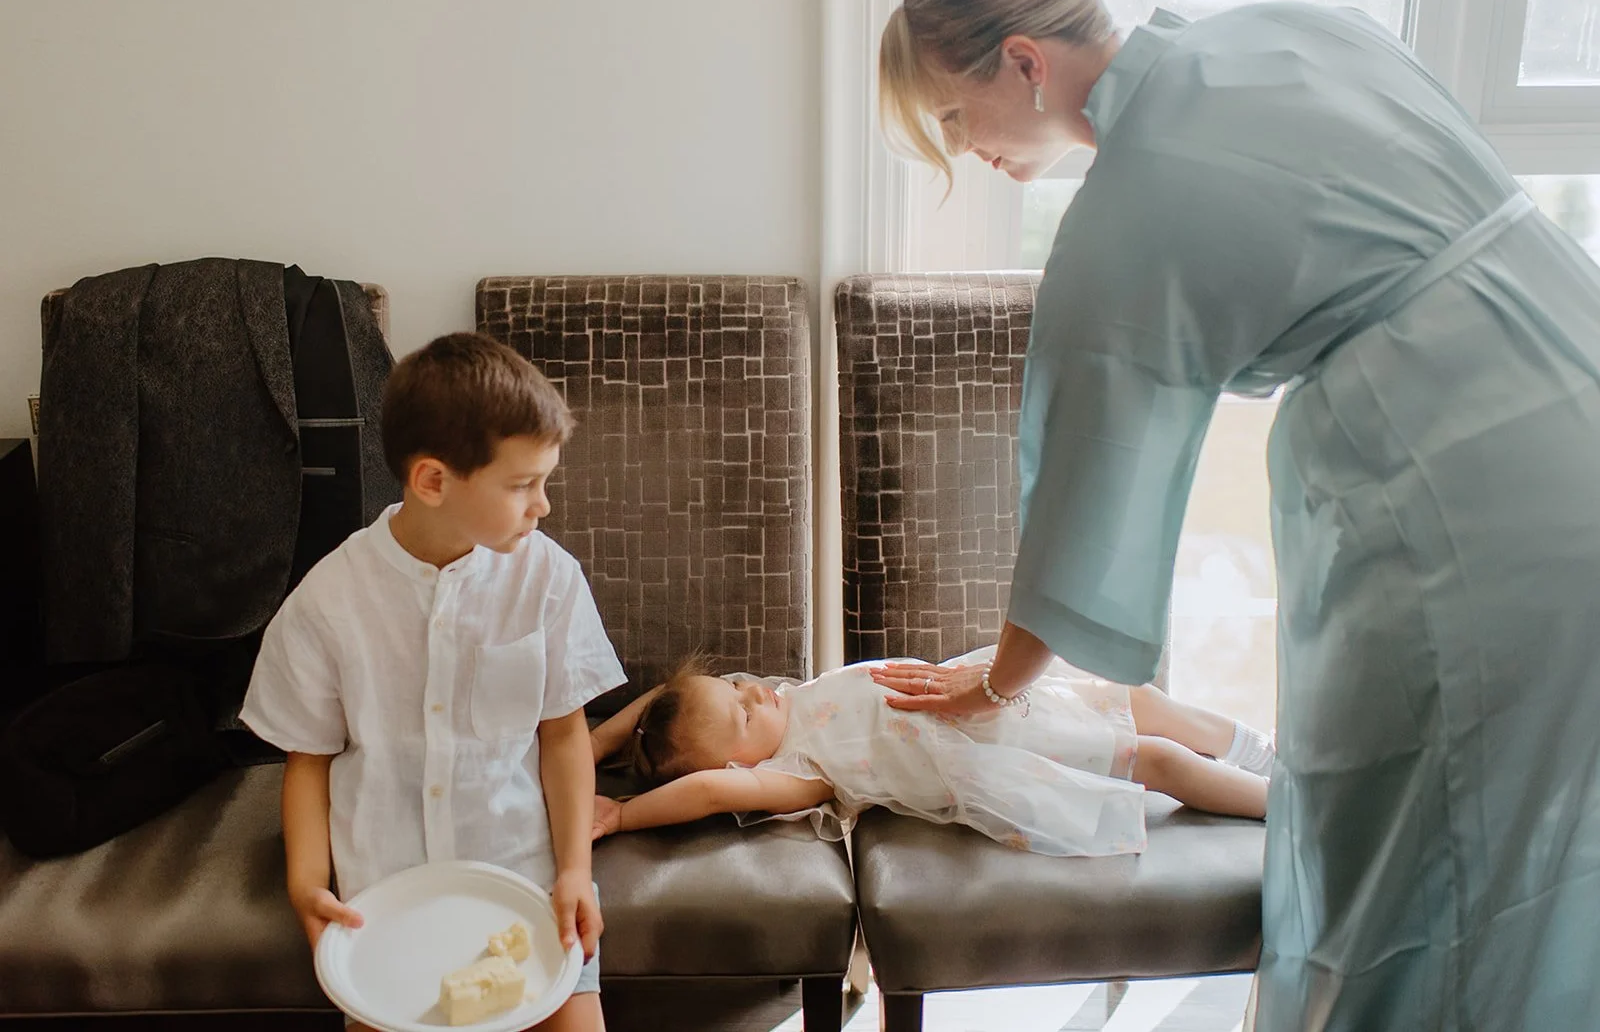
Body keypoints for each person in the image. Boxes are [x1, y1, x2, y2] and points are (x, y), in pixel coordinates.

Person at [873, 0, 1600, 1028]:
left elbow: (1086, 486)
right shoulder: (1282, 33)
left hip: (1465, 492)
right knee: (1545, 819)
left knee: (1418, 837)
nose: (961, 152)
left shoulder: (1129, 205)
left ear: (1025, 64)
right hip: (1570, 366)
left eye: (953, 114)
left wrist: (996, 684)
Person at [241, 332, 626, 1032]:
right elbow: (309, 761)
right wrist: (306, 884)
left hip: (525, 884)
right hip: (388, 902)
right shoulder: (329, 601)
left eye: (545, 482)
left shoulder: (547, 577)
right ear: (433, 481)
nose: (542, 506)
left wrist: (574, 870)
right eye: (521, 486)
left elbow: (564, 734)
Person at [588, 647, 1270, 854]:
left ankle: (1255, 749)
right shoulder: (796, 769)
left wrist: (594, 743)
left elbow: (665, 703)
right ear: (741, 764)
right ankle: (1284, 804)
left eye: (736, 684)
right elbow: (707, 790)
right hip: (1001, 749)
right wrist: (624, 814)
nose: (753, 692)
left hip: (988, 696)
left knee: (1136, 695)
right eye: (740, 710)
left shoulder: (781, 702)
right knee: (1154, 757)